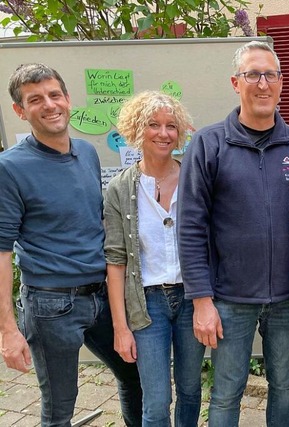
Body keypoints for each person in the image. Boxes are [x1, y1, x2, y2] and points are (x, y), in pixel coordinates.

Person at [177, 40, 289, 427]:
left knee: (285, 385)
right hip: (229, 299)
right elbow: (190, 227)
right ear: (235, 82)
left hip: (288, 299)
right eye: (252, 74)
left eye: (270, 75)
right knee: (226, 390)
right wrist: (201, 301)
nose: (262, 83)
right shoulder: (208, 144)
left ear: (281, 83)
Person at [0, 63, 142, 427]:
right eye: (35, 100)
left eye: (54, 94)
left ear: (68, 99)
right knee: (60, 405)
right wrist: (8, 330)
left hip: (103, 297)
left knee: (134, 377)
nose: (49, 105)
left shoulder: (87, 152)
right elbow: (1, 252)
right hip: (52, 305)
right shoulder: (10, 168)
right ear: (20, 110)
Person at [104, 91, 205, 426]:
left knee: (191, 390)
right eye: (154, 124)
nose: (164, 133)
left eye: (171, 126)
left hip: (191, 298)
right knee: (157, 401)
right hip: (147, 304)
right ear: (136, 129)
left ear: (180, 133)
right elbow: (116, 262)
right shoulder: (121, 188)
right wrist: (121, 327)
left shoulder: (195, 178)